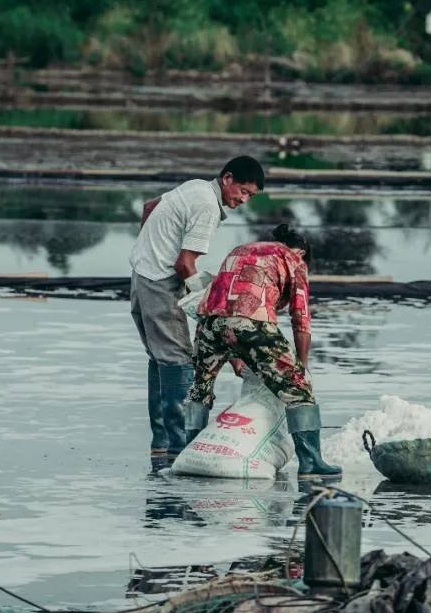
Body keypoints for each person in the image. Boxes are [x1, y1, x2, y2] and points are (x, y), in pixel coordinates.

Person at [130, 156, 265, 463]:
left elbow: (150, 207)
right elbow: (184, 264)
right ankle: (179, 447)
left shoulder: (195, 188)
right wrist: (208, 307)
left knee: (161, 359)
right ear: (227, 178)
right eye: (243, 191)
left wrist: (150, 247)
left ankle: (162, 444)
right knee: (178, 361)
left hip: (141, 276)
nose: (243, 200)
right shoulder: (208, 207)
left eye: (250, 197)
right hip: (160, 281)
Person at [182, 224, 342, 480]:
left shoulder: (240, 250)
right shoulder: (294, 260)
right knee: (299, 390)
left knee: (199, 390)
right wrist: (301, 370)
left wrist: (235, 358)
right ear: (301, 252)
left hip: (209, 323)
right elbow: (300, 319)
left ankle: (187, 452)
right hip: (251, 322)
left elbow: (226, 307)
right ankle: (311, 463)